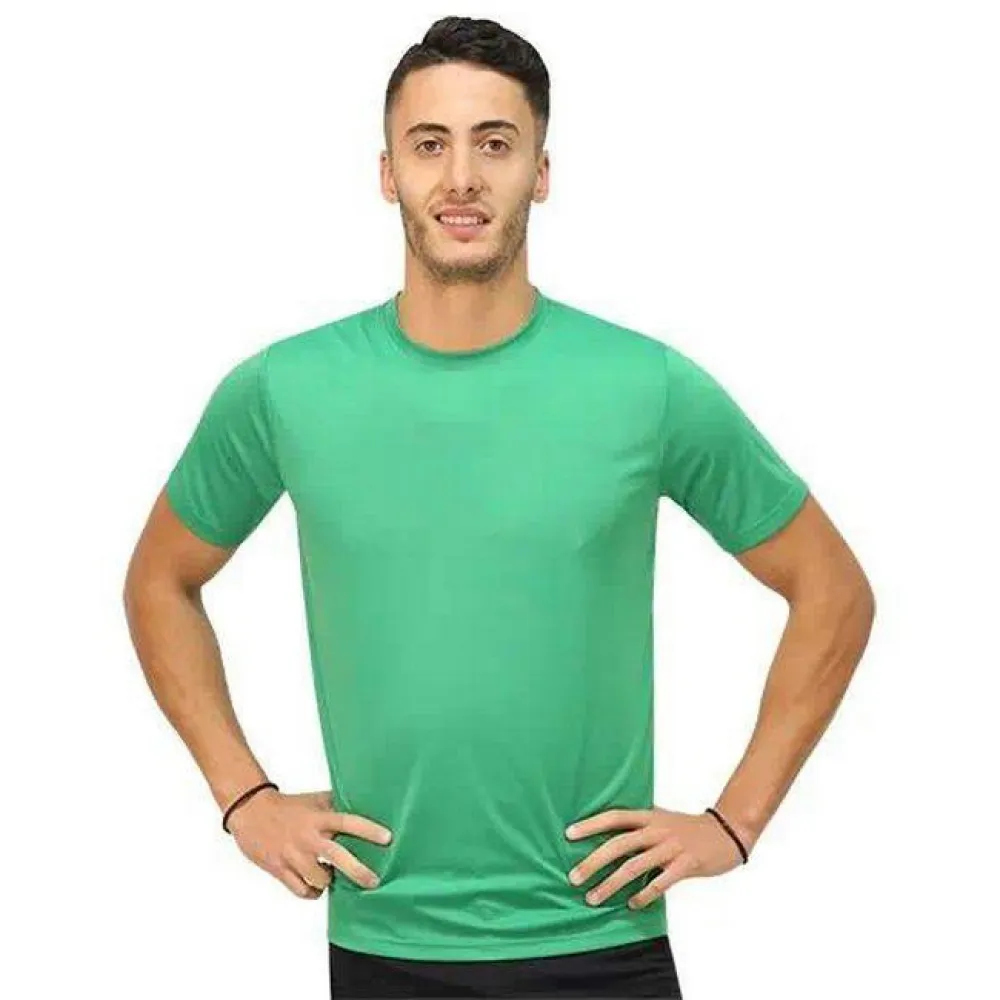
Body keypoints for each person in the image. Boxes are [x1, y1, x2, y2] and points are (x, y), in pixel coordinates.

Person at [122, 15, 876, 999]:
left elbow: (831, 589)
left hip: (601, 934)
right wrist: (244, 798)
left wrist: (733, 822)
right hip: (384, 936)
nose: (461, 178)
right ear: (387, 173)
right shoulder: (284, 389)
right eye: (429, 144)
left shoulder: (644, 386)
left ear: (541, 172)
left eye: (494, 143)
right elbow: (160, 580)